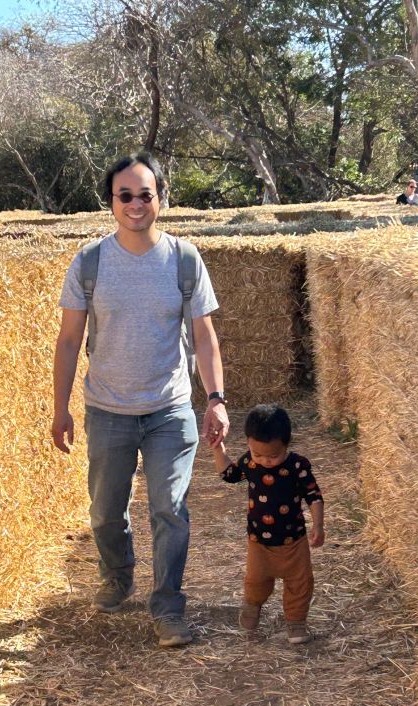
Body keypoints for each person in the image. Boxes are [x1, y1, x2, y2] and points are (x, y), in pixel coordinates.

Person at [52, 151, 229, 647]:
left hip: (169, 410)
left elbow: (204, 336)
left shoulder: (184, 259)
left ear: (161, 199)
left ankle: (169, 607)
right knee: (106, 512)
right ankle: (117, 573)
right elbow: (69, 341)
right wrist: (60, 407)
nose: (135, 203)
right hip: (107, 411)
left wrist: (215, 399)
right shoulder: (89, 262)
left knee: (169, 509)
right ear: (111, 202)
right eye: (125, 195)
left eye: (145, 194)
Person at [211, 404, 324, 644]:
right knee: (256, 581)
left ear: (286, 444)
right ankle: (252, 606)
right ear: (249, 444)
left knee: (300, 582)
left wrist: (318, 525)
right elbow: (230, 475)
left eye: (273, 456)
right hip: (259, 540)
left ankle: (296, 623)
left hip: (294, 540)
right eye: (257, 454)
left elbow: (313, 495)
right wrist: (218, 449)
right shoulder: (250, 464)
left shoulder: (297, 466)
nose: (265, 461)